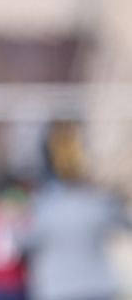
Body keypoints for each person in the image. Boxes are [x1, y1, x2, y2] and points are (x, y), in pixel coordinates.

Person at [20, 121, 131, 300]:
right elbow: (125, 223)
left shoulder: (44, 207)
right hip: (97, 287)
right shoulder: (98, 203)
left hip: (58, 289)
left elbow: (23, 242)